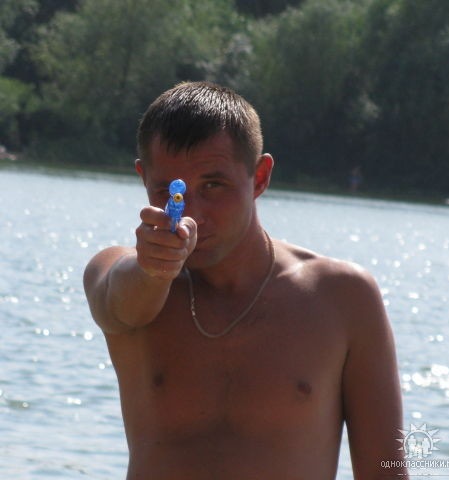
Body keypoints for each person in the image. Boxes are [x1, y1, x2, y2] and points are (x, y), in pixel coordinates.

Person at [83, 81, 407, 479]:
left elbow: (387, 470)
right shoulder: (121, 275)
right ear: (143, 178)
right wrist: (154, 269)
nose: (191, 215)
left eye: (213, 186)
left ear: (259, 177)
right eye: (169, 190)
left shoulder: (342, 297)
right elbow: (121, 305)